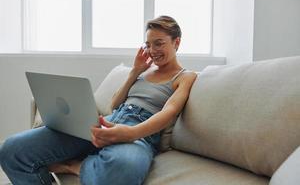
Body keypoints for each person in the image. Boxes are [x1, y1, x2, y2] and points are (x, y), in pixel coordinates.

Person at [0, 15, 197, 185]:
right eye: (148, 44)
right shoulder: (144, 72)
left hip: (139, 133)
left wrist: (129, 133)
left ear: (176, 42)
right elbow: (114, 104)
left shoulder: (185, 76)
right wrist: (135, 71)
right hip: (107, 122)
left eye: (159, 43)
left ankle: (74, 166)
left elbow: (168, 112)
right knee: (12, 150)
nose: (153, 50)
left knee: (124, 168)